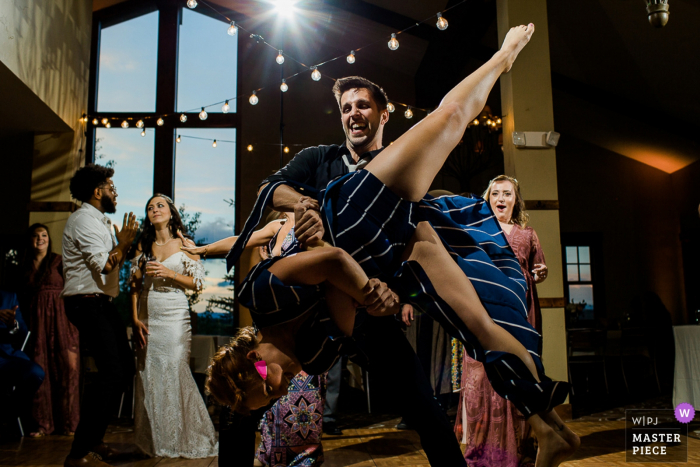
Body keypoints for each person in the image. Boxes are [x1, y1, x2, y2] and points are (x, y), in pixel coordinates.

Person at [218, 24, 580, 467]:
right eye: (345, 107)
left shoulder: (264, 296)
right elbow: (275, 191)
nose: (353, 113)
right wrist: (368, 289)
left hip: (359, 218)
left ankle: (503, 57)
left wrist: (354, 276)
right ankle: (547, 423)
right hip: (385, 264)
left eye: (362, 105)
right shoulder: (318, 160)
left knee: (448, 120)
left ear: (382, 114)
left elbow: (330, 261)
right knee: (478, 325)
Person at [454, 175, 547, 467]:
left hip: (518, 314)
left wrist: (540, 273)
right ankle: (483, 453)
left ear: (515, 200)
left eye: (507, 194)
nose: (501, 199)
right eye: (496, 194)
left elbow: (537, 269)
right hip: (483, 312)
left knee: (517, 373)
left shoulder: (528, 235)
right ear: (488, 199)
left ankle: (516, 451)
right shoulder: (475, 231)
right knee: (483, 376)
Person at [61, 164, 139, 467]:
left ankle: (94, 440)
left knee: (124, 370)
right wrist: (122, 244)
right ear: (97, 191)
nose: (115, 193)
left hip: (101, 302)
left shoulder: (102, 222)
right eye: (111, 187)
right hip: (86, 302)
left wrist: (126, 247)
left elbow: (114, 259)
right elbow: (104, 266)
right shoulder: (83, 221)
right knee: (111, 372)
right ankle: (78, 452)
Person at [129, 194, 217, 458]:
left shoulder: (184, 244)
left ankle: (183, 437)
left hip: (175, 314)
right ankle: (155, 441)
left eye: (160, 205)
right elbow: (133, 286)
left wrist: (170, 274)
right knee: (150, 375)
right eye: (150, 207)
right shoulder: (142, 246)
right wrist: (134, 320)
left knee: (175, 369)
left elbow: (198, 284)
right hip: (147, 314)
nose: (154, 210)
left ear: (170, 212)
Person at [20, 223, 80, 438]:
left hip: (63, 321)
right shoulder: (24, 266)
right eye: (36, 236)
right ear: (30, 240)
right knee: (40, 369)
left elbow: (74, 288)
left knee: (68, 371)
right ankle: (42, 425)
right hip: (37, 325)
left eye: (44, 235)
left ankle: (70, 424)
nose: (40, 239)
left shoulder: (58, 261)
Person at [0, 290, 45, 439]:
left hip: (5, 357)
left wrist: (12, 324)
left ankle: (6, 416)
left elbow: (23, 333)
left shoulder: (8, 297)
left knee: (35, 373)